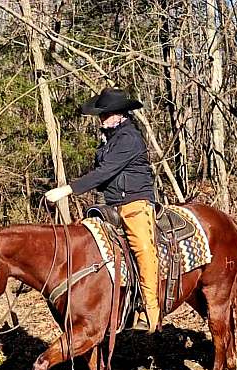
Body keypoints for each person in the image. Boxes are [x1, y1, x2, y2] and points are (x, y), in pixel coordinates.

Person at [45, 88, 160, 333]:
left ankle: (150, 310)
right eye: (101, 114)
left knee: (143, 250)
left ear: (119, 114)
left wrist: (66, 190)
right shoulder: (110, 138)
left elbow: (103, 173)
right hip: (112, 205)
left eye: (106, 114)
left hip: (135, 203)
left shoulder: (129, 138)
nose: (102, 119)